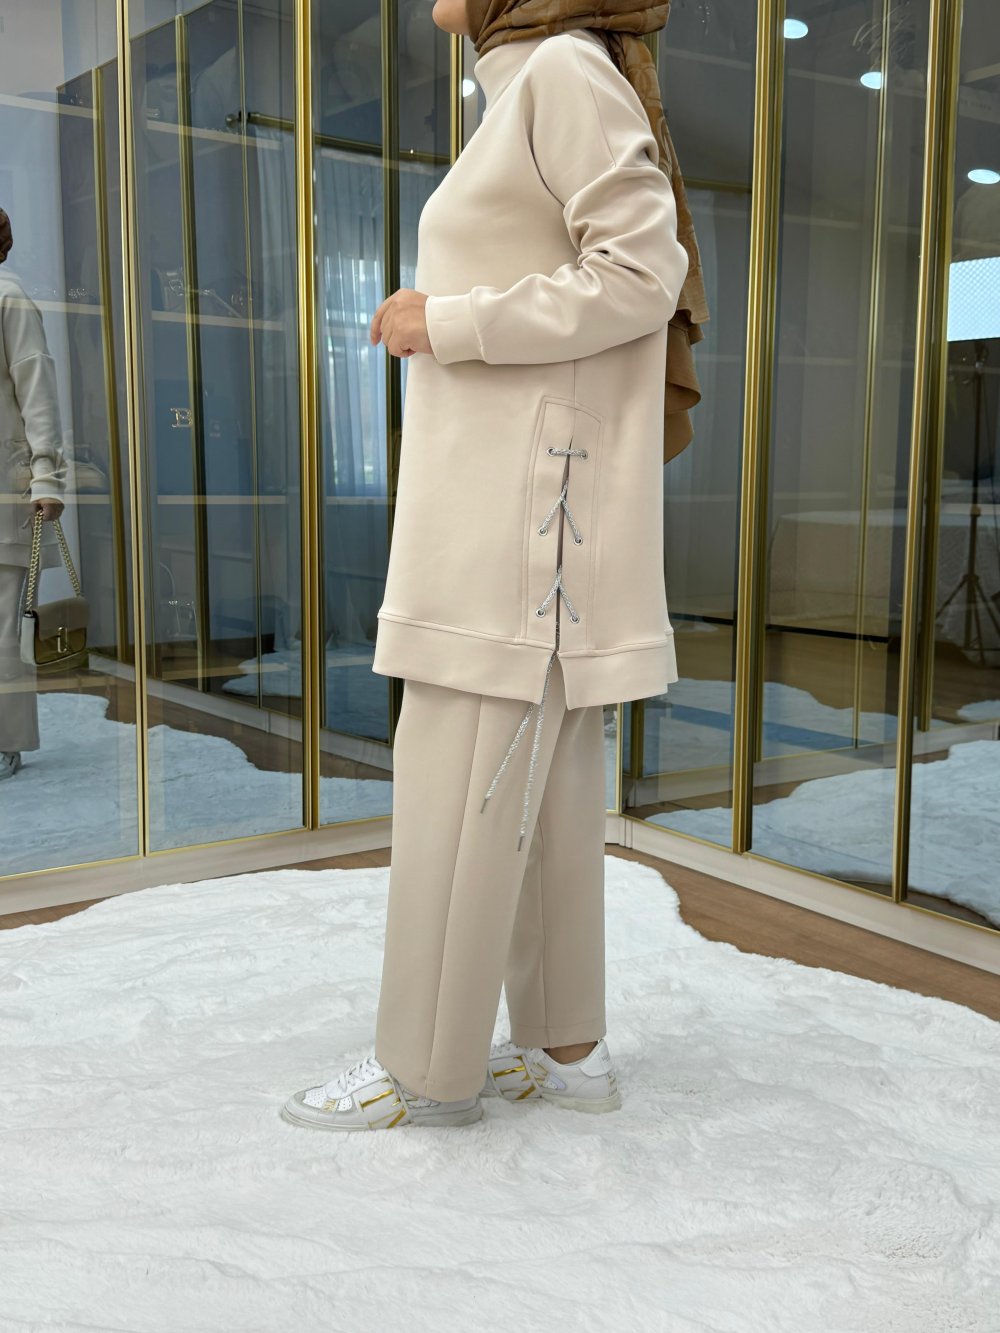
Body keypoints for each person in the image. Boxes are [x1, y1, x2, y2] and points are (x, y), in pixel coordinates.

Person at [282, 0, 694, 1131]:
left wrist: (449, 319)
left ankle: (425, 1067)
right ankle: (569, 1051)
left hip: (522, 523)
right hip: (516, 513)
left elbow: (641, 269)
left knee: (455, 779)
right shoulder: (537, 79)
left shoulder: (561, 71)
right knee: (543, 793)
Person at [0, 207, 68, 781]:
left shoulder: (9, 298)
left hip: (6, 494)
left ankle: (6, 742)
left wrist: (47, 476)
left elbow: (37, 388)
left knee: (5, 630)